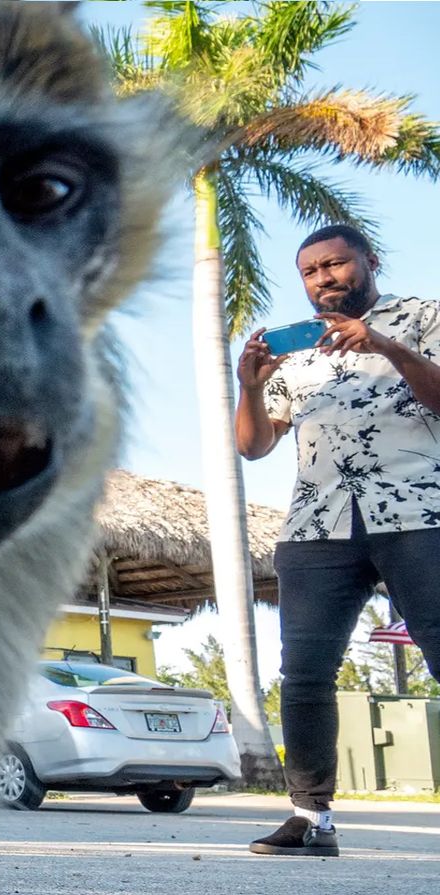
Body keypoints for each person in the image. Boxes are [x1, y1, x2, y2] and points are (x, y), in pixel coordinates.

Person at [236, 223, 440, 857]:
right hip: (317, 525)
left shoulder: (424, 317)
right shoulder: (291, 351)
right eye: (310, 271)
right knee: (303, 675)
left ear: (369, 261)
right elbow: (254, 444)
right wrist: (248, 383)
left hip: (420, 513)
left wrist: (383, 344)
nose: (323, 279)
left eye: (335, 264)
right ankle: (311, 818)